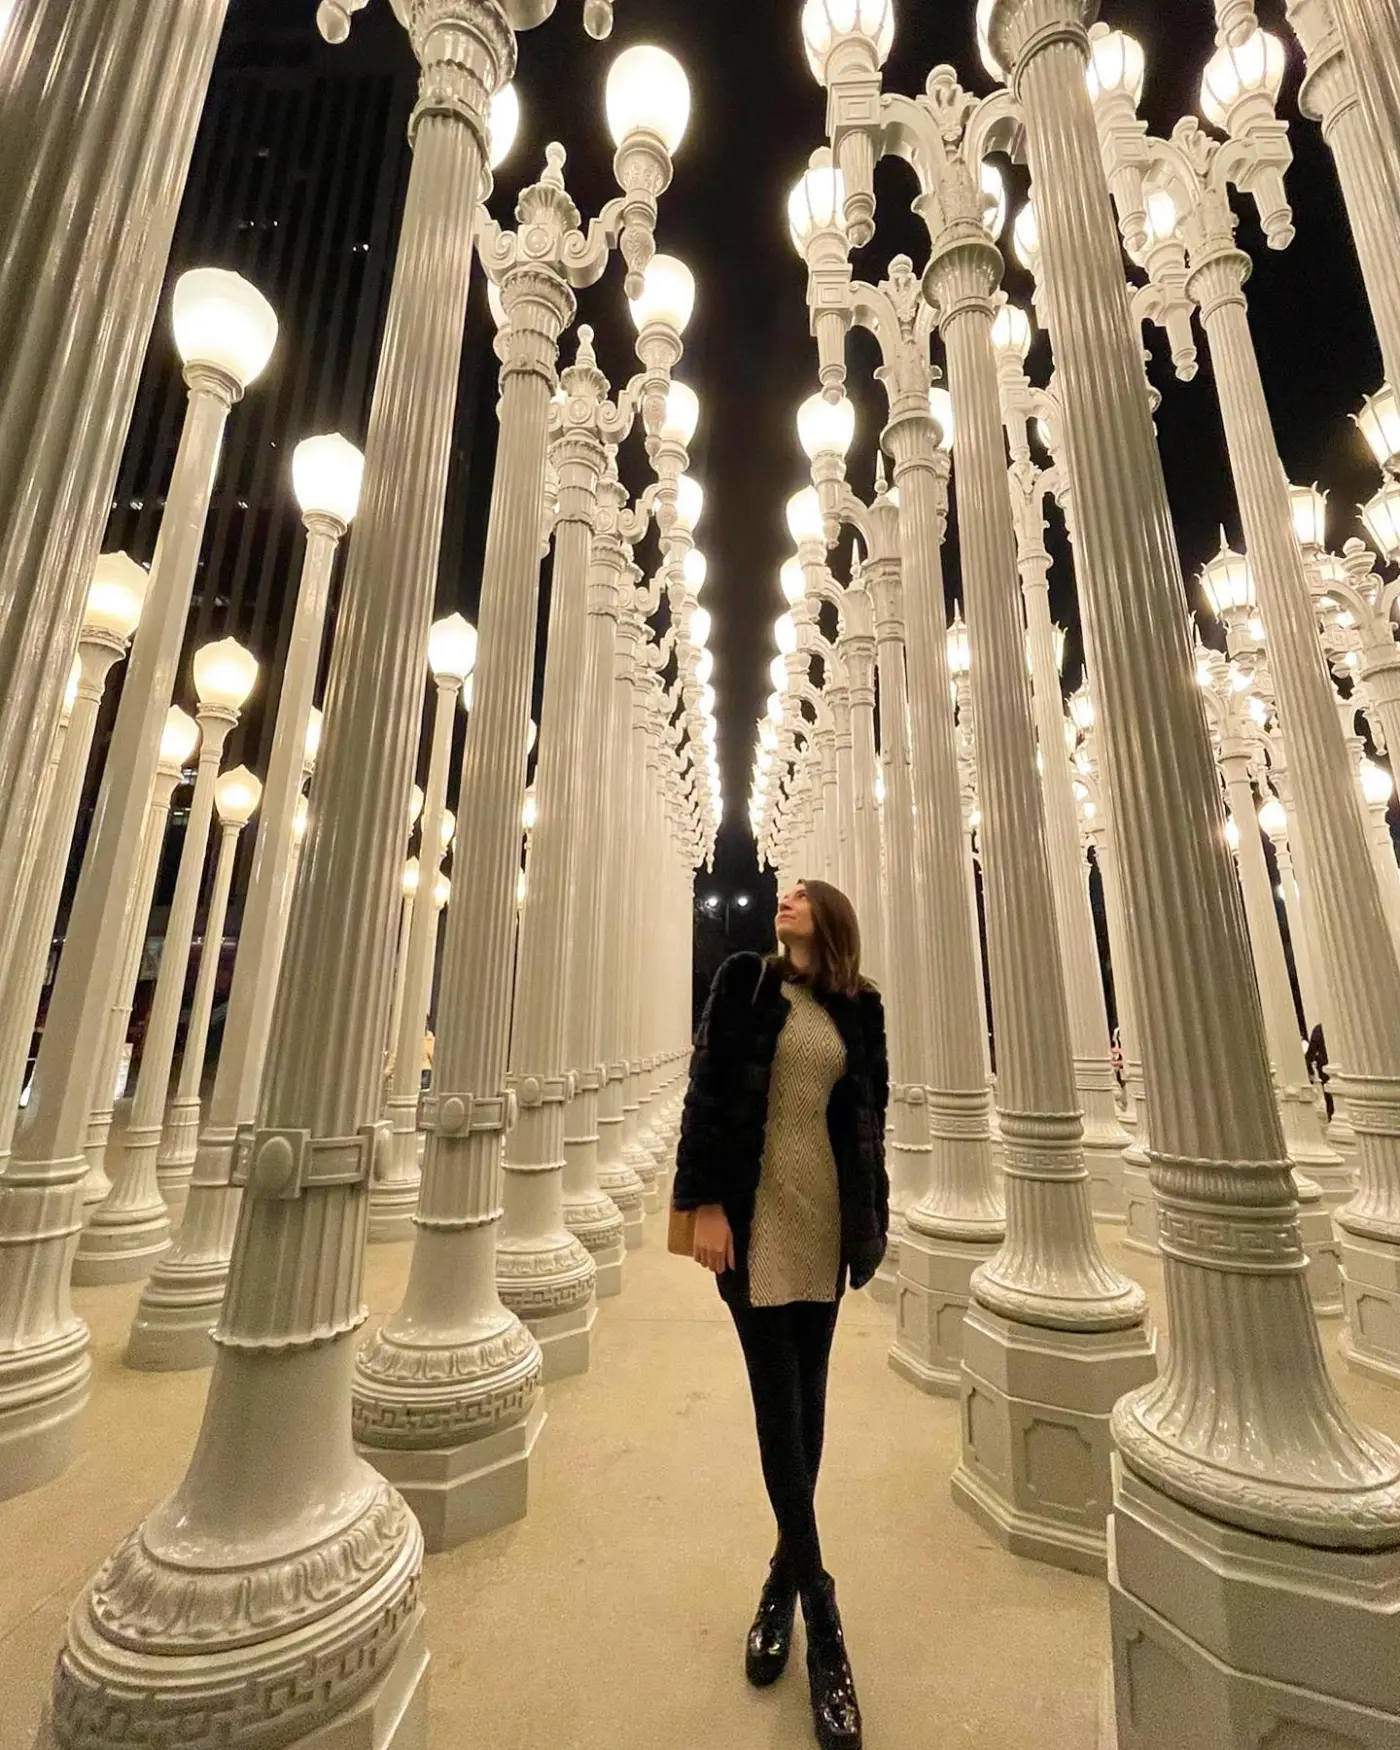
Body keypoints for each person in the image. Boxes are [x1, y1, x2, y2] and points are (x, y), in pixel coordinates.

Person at [672, 878, 889, 1750]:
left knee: (809, 1404)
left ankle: (779, 1580)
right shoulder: (744, 983)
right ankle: (824, 1624)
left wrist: (870, 1218)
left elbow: (868, 1121)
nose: (783, 898)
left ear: (831, 919)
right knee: (777, 1410)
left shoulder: (859, 1006)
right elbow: (708, 1096)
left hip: (825, 1219)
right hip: (756, 1219)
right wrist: (705, 1202)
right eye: (783, 893)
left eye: (801, 894)